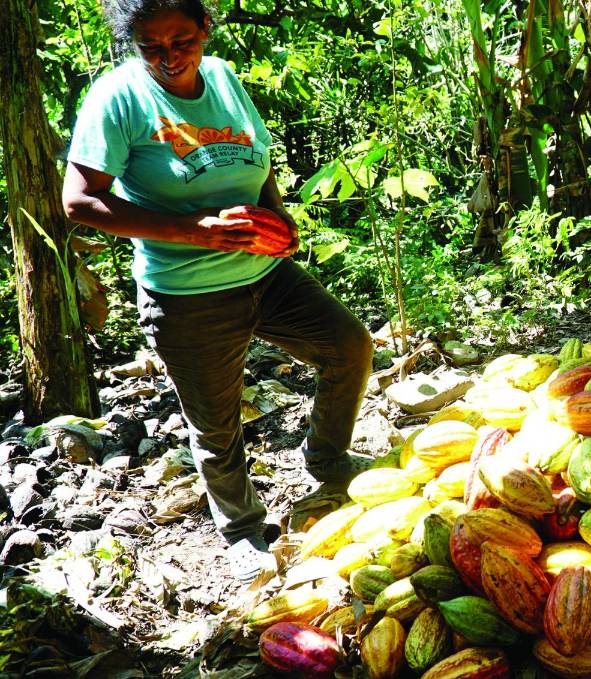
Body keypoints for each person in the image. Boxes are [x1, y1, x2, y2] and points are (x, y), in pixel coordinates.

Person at [61, 0, 375, 583]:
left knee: (349, 346)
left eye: (181, 40)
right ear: (133, 45)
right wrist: (193, 231)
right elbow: (79, 201)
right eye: (151, 47)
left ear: (205, 28)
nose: (169, 57)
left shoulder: (225, 78)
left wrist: (279, 221)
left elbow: (257, 159)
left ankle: (327, 459)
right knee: (216, 423)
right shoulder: (117, 98)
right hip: (186, 293)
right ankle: (241, 528)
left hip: (264, 273)